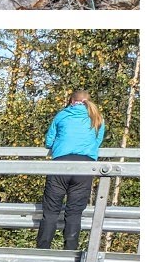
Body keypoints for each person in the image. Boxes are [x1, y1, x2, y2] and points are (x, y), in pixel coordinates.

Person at [37, 89, 106, 250]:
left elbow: (48, 141)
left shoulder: (62, 115)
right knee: (74, 212)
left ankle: (42, 252)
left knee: (51, 211)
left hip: (61, 165)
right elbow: (98, 141)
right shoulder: (97, 117)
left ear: (71, 101)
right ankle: (70, 253)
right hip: (85, 167)